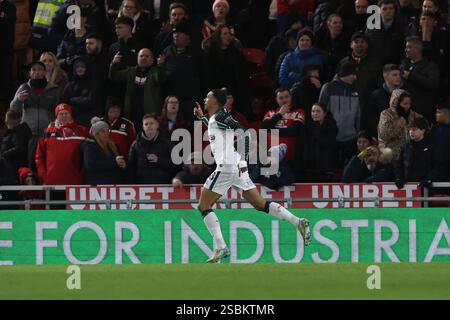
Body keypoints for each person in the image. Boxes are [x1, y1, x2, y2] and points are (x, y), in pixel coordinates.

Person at [193, 88, 311, 263]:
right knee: (259, 204)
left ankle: (220, 247)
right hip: (234, 167)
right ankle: (297, 221)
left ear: (215, 101)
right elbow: (220, 132)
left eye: (207, 97)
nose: (204, 99)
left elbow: (246, 133)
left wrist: (243, 159)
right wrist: (202, 117)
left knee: (203, 205)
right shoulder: (215, 118)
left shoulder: (220, 117)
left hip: (227, 166)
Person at [10, 61, 60, 169]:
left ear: (45, 72)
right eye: (34, 70)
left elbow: (59, 112)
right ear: (30, 73)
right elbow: (13, 108)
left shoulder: (54, 89)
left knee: (47, 164)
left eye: (40, 69)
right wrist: (19, 100)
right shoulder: (24, 87)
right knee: (29, 164)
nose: (37, 72)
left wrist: (54, 125)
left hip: (47, 134)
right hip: (28, 135)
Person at [163, 19, 212, 120]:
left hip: (193, 100)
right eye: (175, 33)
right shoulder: (167, 52)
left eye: (180, 33)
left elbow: (206, 77)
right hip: (173, 100)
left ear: (188, 37)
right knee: (174, 131)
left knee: (196, 129)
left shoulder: (198, 54)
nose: (176, 35)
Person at [109, 48, 166, 132]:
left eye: (147, 56)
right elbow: (113, 77)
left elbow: (160, 79)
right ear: (137, 58)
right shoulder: (131, 71)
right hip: (131, 115)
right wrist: (114, 63)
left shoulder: (155, 72)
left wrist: (161, 66)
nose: (144, 58)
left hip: (148, 117)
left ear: (152, 59)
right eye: (141, 56)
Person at [201, 25, 251, 119]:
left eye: (229, 33)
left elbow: (243, 73)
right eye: (225, 33)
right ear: (218, 36)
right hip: (217, 90)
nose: (228, 36)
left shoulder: (236, 52)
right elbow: (208, 75)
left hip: (235, 90)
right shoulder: (210, 54)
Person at [319, 61, 361, 168]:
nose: (355, 77)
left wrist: (357, 132)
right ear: (345, 74)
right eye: (353, 74)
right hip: (331, 138)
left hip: (351, 138)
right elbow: (320, 110)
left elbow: (358, 115)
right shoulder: (328, 88)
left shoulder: (357, 89)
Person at [35, 103, 89, 185]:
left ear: (71, 115)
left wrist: (82, 175)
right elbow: (39, 157)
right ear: (56, 116)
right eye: (61, 114)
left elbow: (88, 155)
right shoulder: (47, 132)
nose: (64, 116)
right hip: (51, 182)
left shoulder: (82, 131)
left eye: (66, 113)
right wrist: (43, 175)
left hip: (75, 182)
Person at [400, 36, 439, 123]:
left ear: (417, 49)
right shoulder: (404, 64)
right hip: (405, 109)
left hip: (422, 109)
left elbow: (432, 84)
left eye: (408, 47)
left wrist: (411, 76)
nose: (406, 50)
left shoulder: (429, 66)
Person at [261, 88, 305, 163]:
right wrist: (280, 114)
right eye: (281, 98)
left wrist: (272, 130)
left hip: (291, 158)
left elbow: (294, 131)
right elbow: (264, 128)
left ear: (291, 97)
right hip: (271, 158)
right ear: (276, 100)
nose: (284, 100)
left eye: (286, 97)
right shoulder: (270, 113)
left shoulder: (299, 112)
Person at [378, 89, 424, 160]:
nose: (408, 106)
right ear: (396, 103)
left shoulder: (412, 115)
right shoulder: (386, 114)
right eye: (405, 104)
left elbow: (424, 124)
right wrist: (400, 123)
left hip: (409, 152)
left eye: (409, 104)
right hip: (389, 152)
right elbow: (384, 135)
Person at [297, 102, 338, 182]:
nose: (315, 113)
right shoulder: (307, 128)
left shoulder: (331, 127)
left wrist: (317, 128)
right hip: (310, 169)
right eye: (313, 111)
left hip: (326, 170)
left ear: (325, 113)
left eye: (318, 111)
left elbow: (326, 144)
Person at [127, 114, 173, 184]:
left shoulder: (166, 143)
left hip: (163, 185)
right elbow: (131, 167)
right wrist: (131, 185)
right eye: (146, 124)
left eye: (152, 123)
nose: (149, 126)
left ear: (157, 125)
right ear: (143, 126)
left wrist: (159, 160)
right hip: (141, 185)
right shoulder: (136, 144)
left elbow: (174, 164)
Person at [83, 118, 127, 185]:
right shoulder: (90, 147)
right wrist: (115, 162)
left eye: (107, 130)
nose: (106, 133)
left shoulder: (114, 145)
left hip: (114, 184)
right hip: (98, 185)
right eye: (103, 131)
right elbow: (91, 165)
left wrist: (122, 165)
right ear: (97, 134)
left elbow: (118, 163)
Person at [394, 117, 433, 188]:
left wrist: (429, 178)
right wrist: (399, 178)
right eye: (410, 129)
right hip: (409, 186)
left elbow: (437, 165)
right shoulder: (406, 146)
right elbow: (398, 164)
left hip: (425, 186)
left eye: (414, 129)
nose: (411, 132)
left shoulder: (431, 146)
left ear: (423, 131)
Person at [62, 57, 101, 127]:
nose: (80, 69)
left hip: (88, 121)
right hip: (71, 120)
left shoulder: (92, 84)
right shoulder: (70, 85)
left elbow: (91, 101)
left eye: (82, 67)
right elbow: (64, 103)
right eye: (77, 67)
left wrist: (73, 100)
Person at [366, 64, 404, 136]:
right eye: (394, 75)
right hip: (382, 135)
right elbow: (372, 117)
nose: (398, 77)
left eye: (399, 74)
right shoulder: (376, 95)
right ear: (385, 76)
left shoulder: (405, 93)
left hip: (402, 135)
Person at [365, 0, 405, 65]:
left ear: (394, 10)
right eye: (384, 9)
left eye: (391, 8)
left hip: (394, 66)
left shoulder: (401, 28)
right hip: (374, 66)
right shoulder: (371, 28)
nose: (388, 11)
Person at [0, 110, 32, 186]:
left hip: (14, 169)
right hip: (14, 168)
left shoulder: (17, 133)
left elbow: (19, 148)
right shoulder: (19, 132)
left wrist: (3, 154)